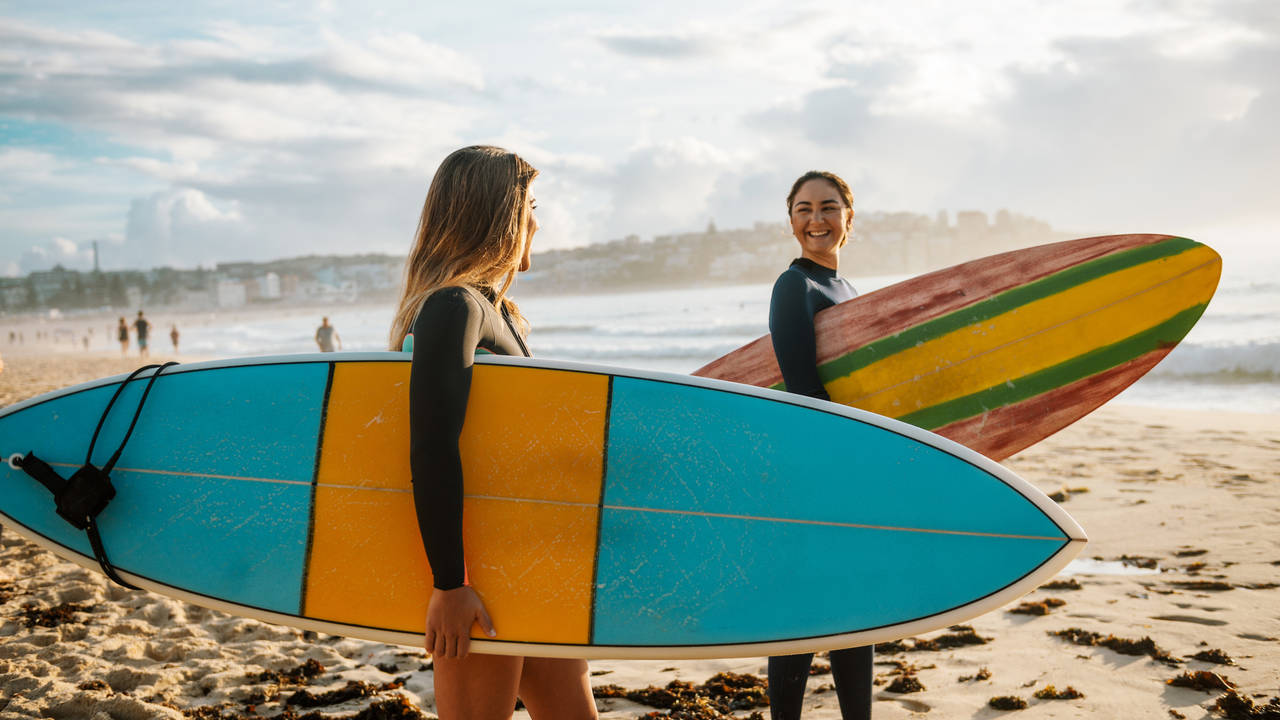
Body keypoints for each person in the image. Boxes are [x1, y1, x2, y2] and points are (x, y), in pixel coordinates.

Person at [387, 145, 597, 720]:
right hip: (482, 576)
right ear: (500, 215)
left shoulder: (495, 311)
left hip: (526, 565)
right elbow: (431, 446)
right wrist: (450, 584)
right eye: (531, 204)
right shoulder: (454, 307)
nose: (538, 220)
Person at [766, 170, 871, 720]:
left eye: (828, 208)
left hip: (848, 461)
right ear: (791, 221)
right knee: (802, 608)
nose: (816, 220)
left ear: (848, 217)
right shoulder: (795, 287)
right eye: (804, 209)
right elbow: (802, 388)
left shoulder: (848, 291)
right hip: (811, 467)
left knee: (854, 606)